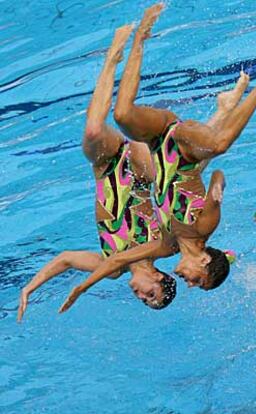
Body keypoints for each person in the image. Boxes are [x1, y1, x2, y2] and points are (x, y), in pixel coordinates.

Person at [57, 3, 256, 313]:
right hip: (181, 146)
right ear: (205, 260)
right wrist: (218, 187)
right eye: (198, 280)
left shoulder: (167, 246)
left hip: (159, 144)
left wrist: (81, 287)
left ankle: (140, 37)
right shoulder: (205, 225)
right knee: (219, 145)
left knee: (122, 114)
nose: (189, 283)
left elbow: (118, 259)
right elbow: (218, 171)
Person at [17, 25, 176, 322]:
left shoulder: (111, 267)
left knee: (92, 129)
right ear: (157, 276)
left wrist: (29, 287)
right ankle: (153, 121)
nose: (141, 296)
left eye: (145, 301)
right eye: (151, 294)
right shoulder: (162, 247)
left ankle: (111, 59)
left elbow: (64, 259)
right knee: (159, 168)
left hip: (106, 169)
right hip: (140, 171)